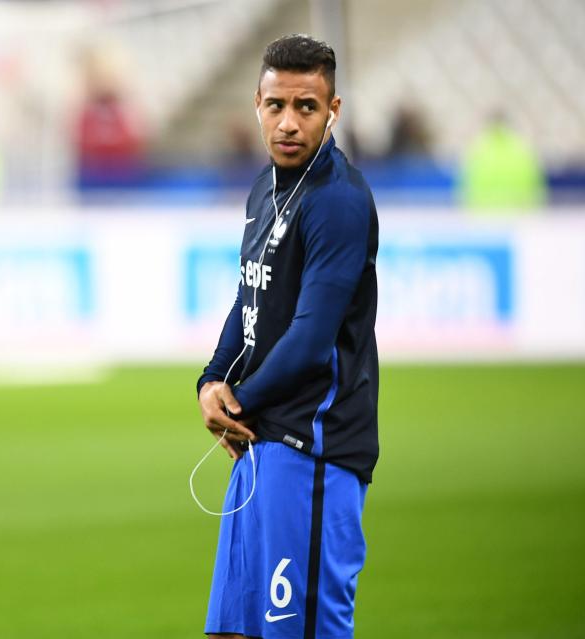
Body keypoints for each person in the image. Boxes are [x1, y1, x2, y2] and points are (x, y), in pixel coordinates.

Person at [196, 34, 379, 639]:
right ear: (256, 104)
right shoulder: (264, 190)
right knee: (235, 629)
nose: (289, 122)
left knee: (297, 631)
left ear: (334, 111)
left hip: (312, 447)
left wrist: (235, 404)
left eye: (307, 106)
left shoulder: (337, 203)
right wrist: (210, 381)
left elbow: (309, 338)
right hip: (260, 445)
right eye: (276, 106)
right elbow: (247, 299)